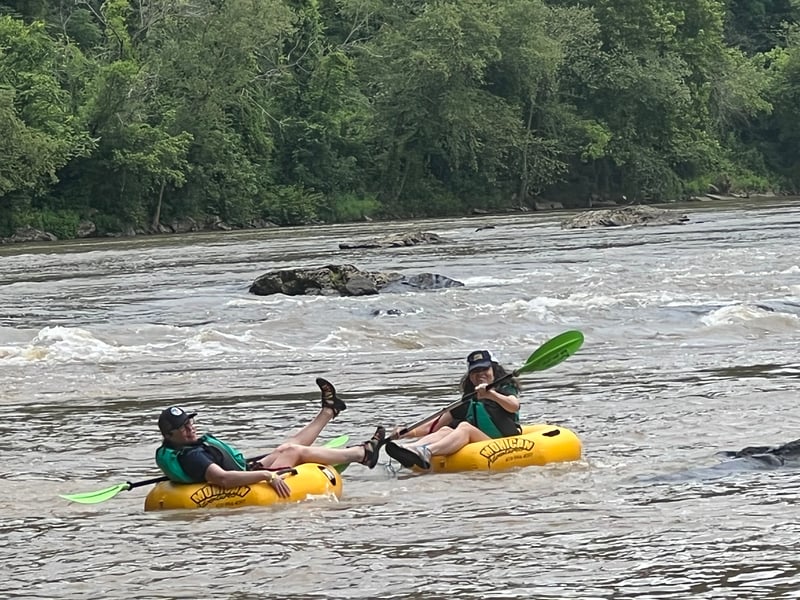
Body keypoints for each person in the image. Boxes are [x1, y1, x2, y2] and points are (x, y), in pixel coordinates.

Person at [155, 378, 385, 497]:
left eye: (190, 422)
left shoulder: (184, 448)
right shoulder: (192, 456)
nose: (190, 429)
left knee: (285, 447)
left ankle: (329, 411)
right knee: (293, 451)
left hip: (246, 470)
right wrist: (268, 475)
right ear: (169, 435)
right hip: (247, 480)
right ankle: (361, 454)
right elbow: (222, 479)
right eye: (183, 428)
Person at [384, 350, 521, 470]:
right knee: (446, 430)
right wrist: (407, 432)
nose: (480, 374)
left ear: (494, 370)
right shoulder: (468, 399)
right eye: (475, 371)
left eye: (484, 369)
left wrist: (491, 395)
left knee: (465, 427)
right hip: (482, 441)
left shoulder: (505, 388)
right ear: (470, 376)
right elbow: (434, 425)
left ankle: (427, 451)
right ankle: (412, 449)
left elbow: (513, 406)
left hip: (506, 443)